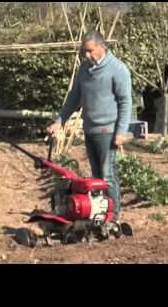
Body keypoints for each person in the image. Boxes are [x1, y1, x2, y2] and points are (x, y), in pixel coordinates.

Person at [47, 31, 132, 222]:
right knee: (96, 178)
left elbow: (126, 102)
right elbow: (74, 98)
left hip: (108, 131)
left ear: (102, 47)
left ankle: (113, 218)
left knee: (107, 175)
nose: (86, 55)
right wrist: (60, 121)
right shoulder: (84, 69)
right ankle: (99, 214)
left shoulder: (118, 70)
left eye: (90, 51)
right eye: (83, 52)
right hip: (90, 129)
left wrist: (121, 131)